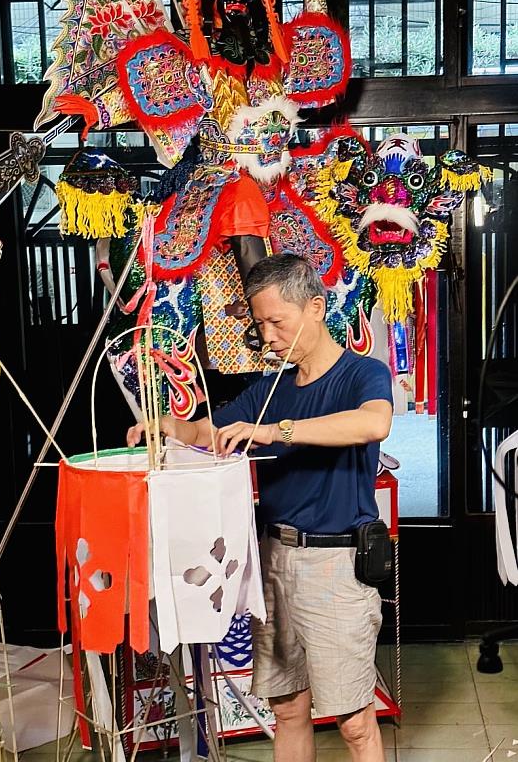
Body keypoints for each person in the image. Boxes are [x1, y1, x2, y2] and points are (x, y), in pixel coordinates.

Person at [127, 253, 393, 762]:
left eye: (278, 322)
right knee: (288, 709)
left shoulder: (362, 374)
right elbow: (208, 431)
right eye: (260, 323)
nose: (267, 336)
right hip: (271, 562)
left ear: (314, 308)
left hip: (334, 566)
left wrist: (275, 431)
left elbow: (373, 424)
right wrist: (167, 426)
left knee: (355, 722)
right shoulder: (268, 388)